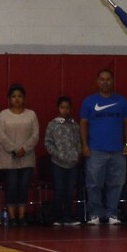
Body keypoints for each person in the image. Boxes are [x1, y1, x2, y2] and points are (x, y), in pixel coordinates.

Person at [80, 69, 127, 225]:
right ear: (97, 81)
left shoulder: (122, 101)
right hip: (95, 150)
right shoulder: (89, 102)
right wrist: (84, 145)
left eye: (108, 79)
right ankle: (95, 213)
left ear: (112, 81)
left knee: (116, 184)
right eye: (102, 79)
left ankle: (112, 213)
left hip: (117, 150)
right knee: (94, 184)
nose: (105, 82)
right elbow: (83, 124)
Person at [0, 84, 39, 225]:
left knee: (23, 186)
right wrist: (14, 149)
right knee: (12, 186)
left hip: (27, 157)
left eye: (19, 96)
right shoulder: (3, 114)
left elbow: (35, 135)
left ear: (24, 98)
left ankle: (22, 217)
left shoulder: (31, 114)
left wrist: (24, 149)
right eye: (14, 96)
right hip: (9, 157)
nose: (17, 99)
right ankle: (12, 217)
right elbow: (1, 136)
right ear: (9, 99)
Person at [45, 96, 82, 226]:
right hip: (58, 163)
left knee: (70, 189)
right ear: (58, 108)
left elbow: (78, 141)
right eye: (62, 107)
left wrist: (77, 154)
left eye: (67, 107)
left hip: (72, 163)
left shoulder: (74, 125)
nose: (65, 110)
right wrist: (57, 154)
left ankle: (67, 215)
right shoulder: (53, 124)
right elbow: (48, 143)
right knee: (59, 189)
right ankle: (57, 216)